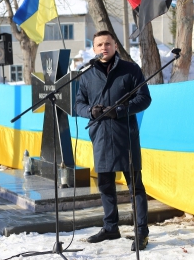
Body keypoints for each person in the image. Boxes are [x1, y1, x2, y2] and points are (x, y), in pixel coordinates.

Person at [75, 30, 152, 251]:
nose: (103, 48)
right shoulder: (86, 73)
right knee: (105, 185)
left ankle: (141, 232)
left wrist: (119, 110)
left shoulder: (130, 69)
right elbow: (78, 104)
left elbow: (144, 98)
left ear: (115, 46)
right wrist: (91, 111)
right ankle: (111, 227)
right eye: (99, 45)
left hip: (125, 136)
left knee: (135, 186)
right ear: (94, 49)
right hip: (99, 135)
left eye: (107, 44)